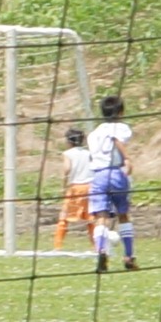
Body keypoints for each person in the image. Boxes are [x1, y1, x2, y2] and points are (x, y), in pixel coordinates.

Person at [88, 95, 138, 272]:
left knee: (101, 217)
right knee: (123, 214)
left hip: (98, 175)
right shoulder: (121, 128)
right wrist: (127, 158)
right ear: (121, 112)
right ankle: (129, 256)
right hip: (116, 173)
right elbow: (116, 139)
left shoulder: (94, 133)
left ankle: (101, 251)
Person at [54, 127, 94, 250]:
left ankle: (58, 246)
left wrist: (64, 183)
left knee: (64, 216)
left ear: (68, 141)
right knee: (91, 217)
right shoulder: (88, 153)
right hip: (90, 187)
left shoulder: (68, 154)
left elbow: (67, 169)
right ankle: (96, 246)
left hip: (75, 188)